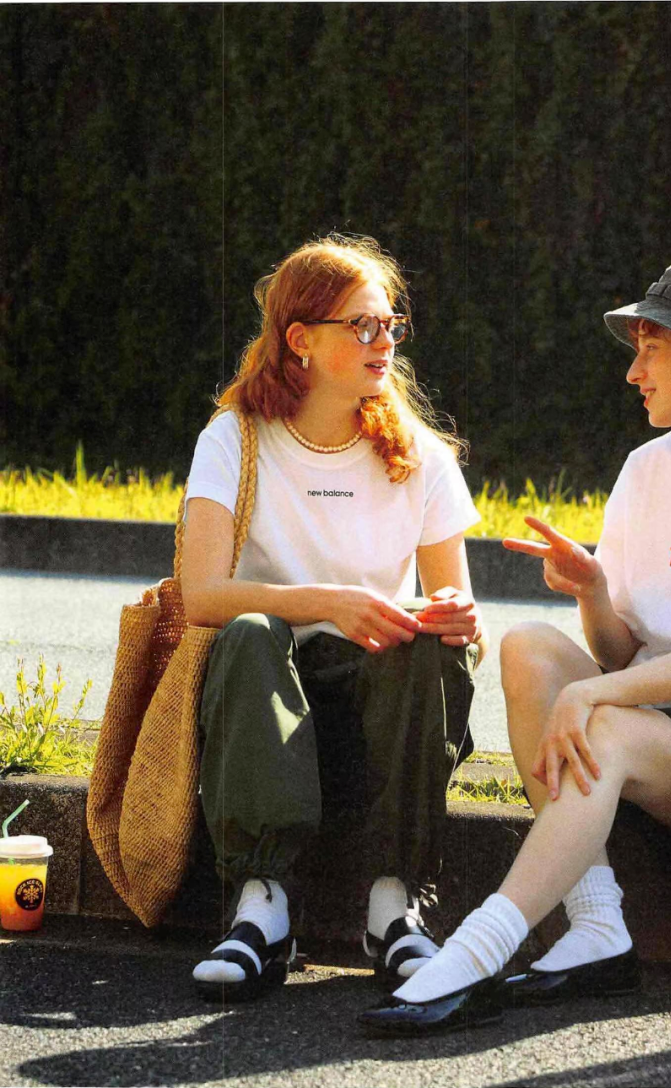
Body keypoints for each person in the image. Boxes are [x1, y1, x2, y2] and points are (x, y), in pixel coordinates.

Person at [359, 254, 671, 1035]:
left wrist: (591, 693)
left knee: (607, 723)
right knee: (528, 648)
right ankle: (598, 928)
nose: (634, 372)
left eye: (652, 348)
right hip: (658, 731)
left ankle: (480, 951)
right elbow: (624, 653)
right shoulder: (648, 468)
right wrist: (594, 590)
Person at [182, 234, 486, 1001]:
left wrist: (454, 617)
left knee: (426, 647)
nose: (385, 341)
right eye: (363, 325)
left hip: (378, 721)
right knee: (250, 630)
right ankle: (262, 908)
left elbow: (460, 615)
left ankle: (395, 908)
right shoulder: (234, 438)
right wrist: (326, 603)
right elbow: (201, 596)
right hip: (264, 718)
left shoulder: (421, 455)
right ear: (301, 340)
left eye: (391, 325)